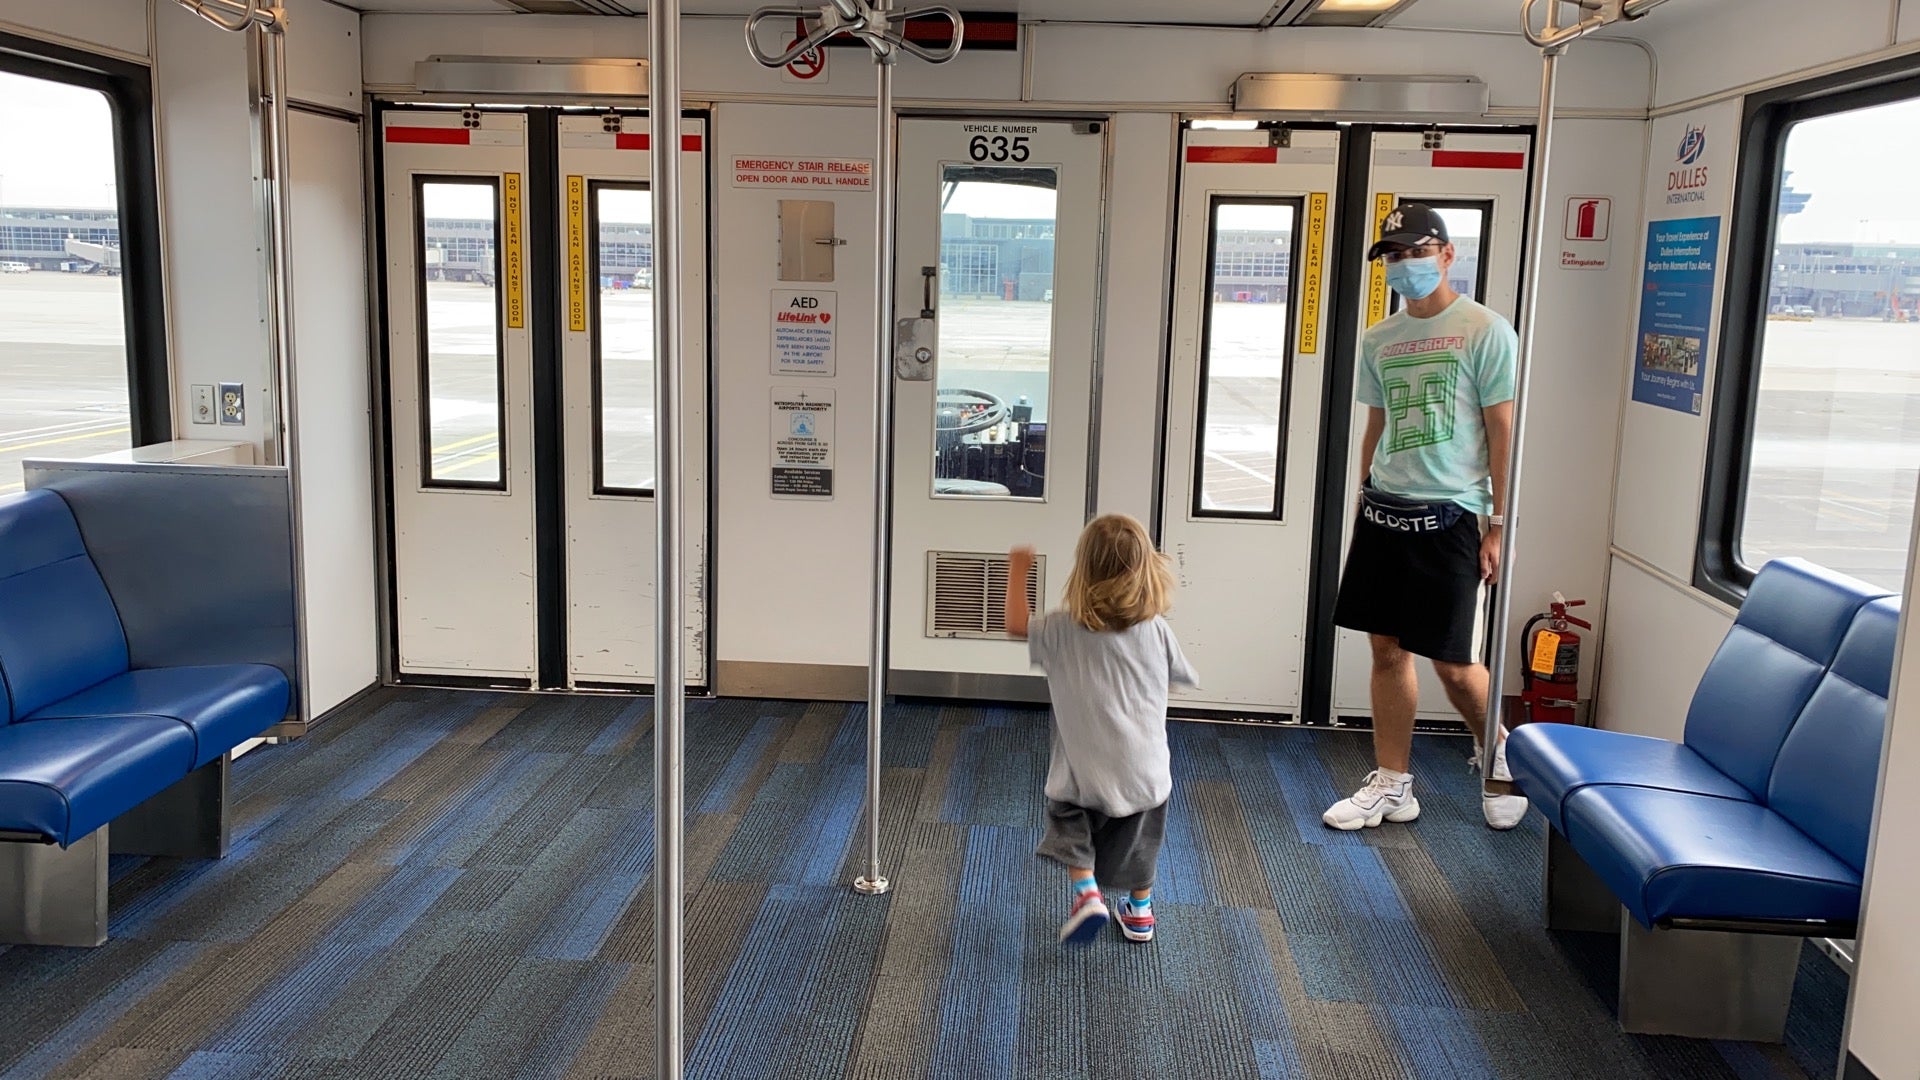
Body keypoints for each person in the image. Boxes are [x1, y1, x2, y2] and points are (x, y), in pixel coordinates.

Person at [1323, 202, 1530, 833]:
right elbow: (1376, 424)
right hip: (1386, 511)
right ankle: (1393, 784)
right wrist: (1361, 491)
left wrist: (1498, 522)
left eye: (1416, 252)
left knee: (1454, 664)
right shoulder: (1378, 339)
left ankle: (1498, 757)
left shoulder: (1486, 330)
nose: (1404, 266)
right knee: (1386, 651)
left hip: (1454, 516)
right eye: (1393, 256)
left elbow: (1503, 433)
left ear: (1446, 254)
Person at [1005, 514, 1198, 944]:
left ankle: (1087, 893)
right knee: (1141, 841)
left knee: (1069, 818)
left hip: (1084, 772)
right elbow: (1180, 677)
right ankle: (1141, 913)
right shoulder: (1157, 630)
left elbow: (1016, 624)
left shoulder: (1061, 629)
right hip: (1146, 773)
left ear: (1083, 570)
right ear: (1147, 570)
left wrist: (1019, 568)